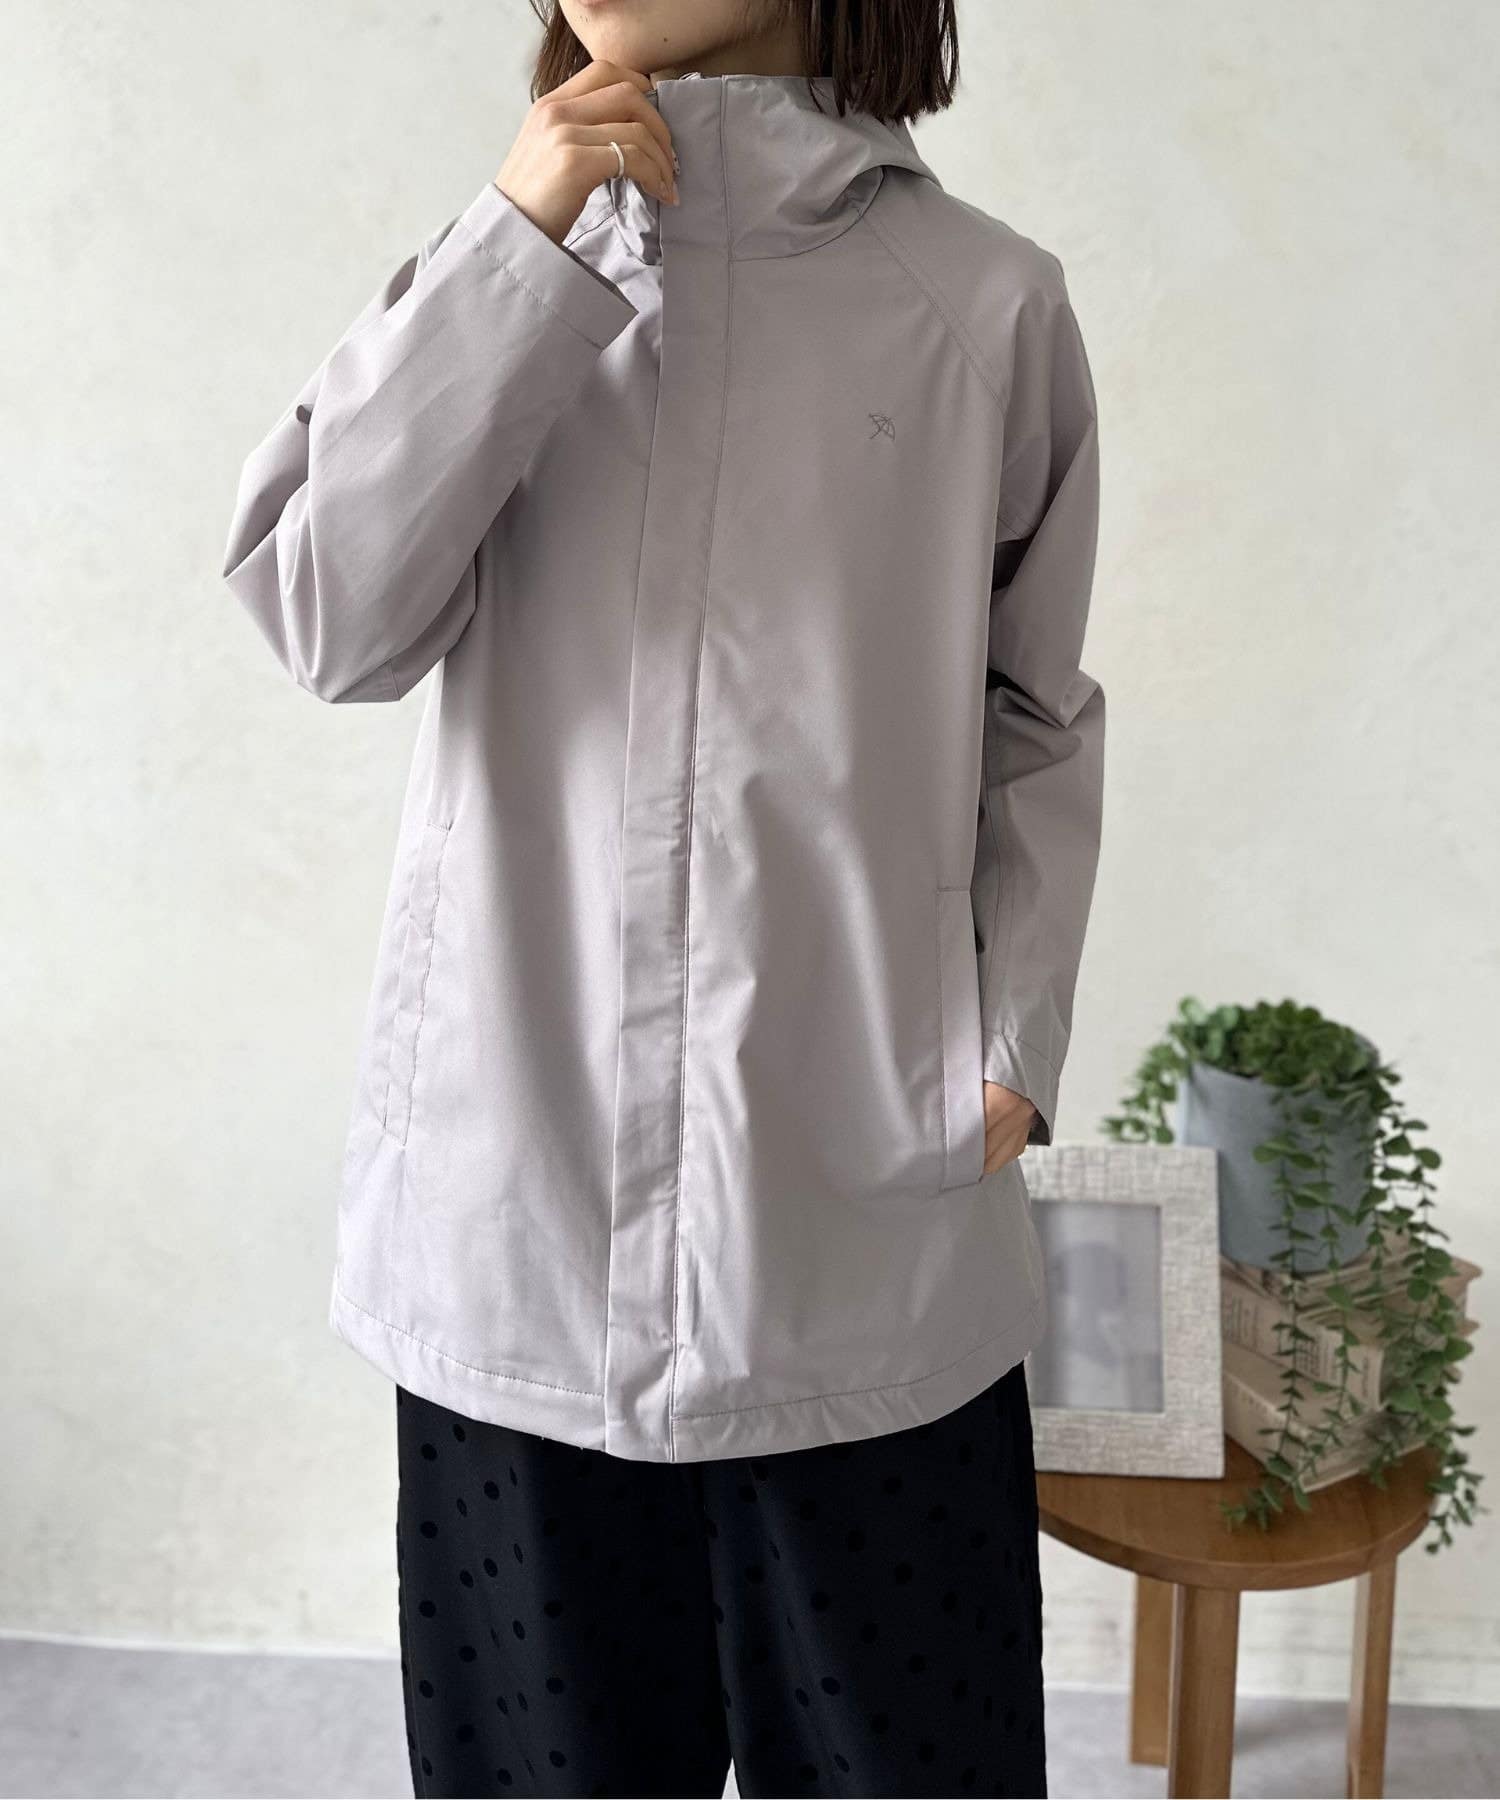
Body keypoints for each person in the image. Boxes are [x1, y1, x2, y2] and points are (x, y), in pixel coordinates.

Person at [221, 0, 1104, 1792]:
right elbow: (327, 620)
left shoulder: (984, 304)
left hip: (858, 1218)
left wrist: (1007, 1040)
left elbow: (1033, 713)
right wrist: (513, 249)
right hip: (515, 1219)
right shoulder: (503, 269)